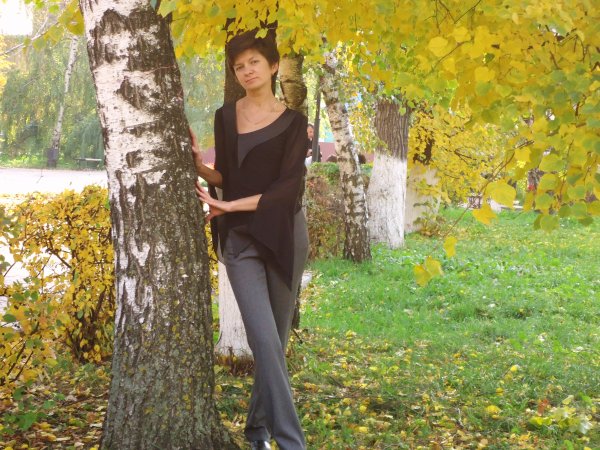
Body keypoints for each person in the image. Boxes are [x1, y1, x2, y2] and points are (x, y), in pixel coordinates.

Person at [189, 30, 308, 450]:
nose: (246, 71)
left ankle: (257, 433)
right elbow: (230, 177)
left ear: (273, 66)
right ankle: (293, 443)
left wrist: (229, 205)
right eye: (239, 66)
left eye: (254, 62)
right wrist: (201, 168)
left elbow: (287, 190)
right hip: (240, 238)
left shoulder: (295, 124)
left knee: (274, 344)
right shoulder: (225, 116)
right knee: (264, 340)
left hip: (284, 235)